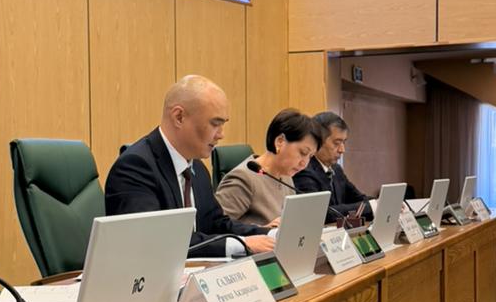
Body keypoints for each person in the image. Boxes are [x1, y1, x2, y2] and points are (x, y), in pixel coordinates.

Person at [104, 75, 276, 257]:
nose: (221, 135)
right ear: (179, 117)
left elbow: (216, 224)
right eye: (215, 124)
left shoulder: (197, 169)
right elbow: (155, 241)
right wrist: (241, 244)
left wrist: (270, 235)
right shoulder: (136, 167)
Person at [215, 108, 321, 226]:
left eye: (310, 156)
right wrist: (264, 229)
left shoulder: (286, 176)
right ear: (280, 141)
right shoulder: (243, 178)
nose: (304, 163)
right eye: (303, 152)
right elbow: (215, 228)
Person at [293, 110, 374, 223]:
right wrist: (372, 206)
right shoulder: (303, 170)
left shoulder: (336, 169)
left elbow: (359, 198)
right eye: (337, 143)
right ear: (317, 142)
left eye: (344, 142)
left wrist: (380, 203)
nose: (342, 150)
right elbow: (321, 213)